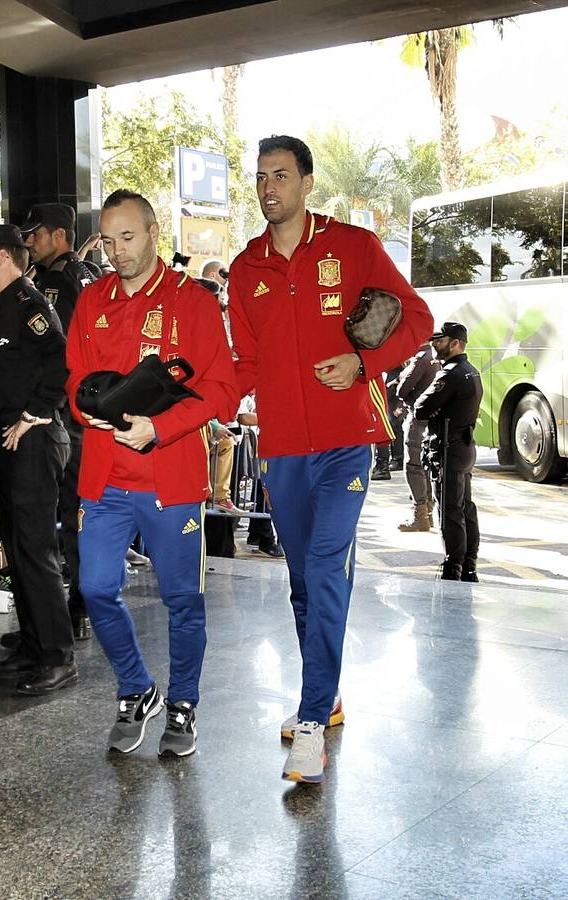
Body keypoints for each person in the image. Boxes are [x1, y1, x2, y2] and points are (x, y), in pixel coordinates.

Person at [228, 135, 432, 784]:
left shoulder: (352, 247)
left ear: (307, 183)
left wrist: (363, 361)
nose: (268, 188)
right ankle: (329, 692)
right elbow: (243, 367)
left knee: (322, 569)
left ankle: (312, 719)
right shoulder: (245, 268)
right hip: (282, 450)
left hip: (345, 443)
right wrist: (181, 407)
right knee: (300, 584)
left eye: (280, 176)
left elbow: (417, 317)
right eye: (260, 177)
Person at [66, 190, 236, 757]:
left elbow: (221, 389)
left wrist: (159, 429)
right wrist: (82, 405)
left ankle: (183, 703)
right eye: (109, 241)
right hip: (105, 478)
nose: (118, 252)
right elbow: (75, 377)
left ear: (154, 231)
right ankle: (137, 689)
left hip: (171, 478)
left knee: (183, 598)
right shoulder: (91, 301)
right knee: (94, 587)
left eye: (128, 237)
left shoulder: (194, 301)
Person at [0, 226, 75, 694]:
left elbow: (60, 360)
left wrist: (35, 413)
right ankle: (32, 645)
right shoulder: (5, 305)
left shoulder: (29, 304)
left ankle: (56, 655)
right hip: (9, 437)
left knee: (34, 549)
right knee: (16, 546)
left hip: (32, 438)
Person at [21, 203, 100, 641]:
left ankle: (73, 610)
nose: (30, 243)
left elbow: (56, 351)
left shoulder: (54, 283)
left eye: (36, 235)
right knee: (78, 513)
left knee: (66, 515)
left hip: (65, 413)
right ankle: (83, 604)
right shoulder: (89, 274)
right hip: (86, 410)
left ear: (58, 235)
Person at [414, 322, 482, 581]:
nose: (434, 345)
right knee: (465, 508)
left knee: (451, 509)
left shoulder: (449, 374)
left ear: (455, 343)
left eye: (439, 341)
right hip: (464, 447)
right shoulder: (471, 371)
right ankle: (469, 562)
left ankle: (454, 565)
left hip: (449, 448)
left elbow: (421, 408)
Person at [394, 342, 441, 532]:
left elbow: (402, 389)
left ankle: (419, 514)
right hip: (434, 418)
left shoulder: (421, 358)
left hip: (418, 418)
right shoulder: (436, 356)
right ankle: (428, 513)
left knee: (413, 466)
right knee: (427, 466)